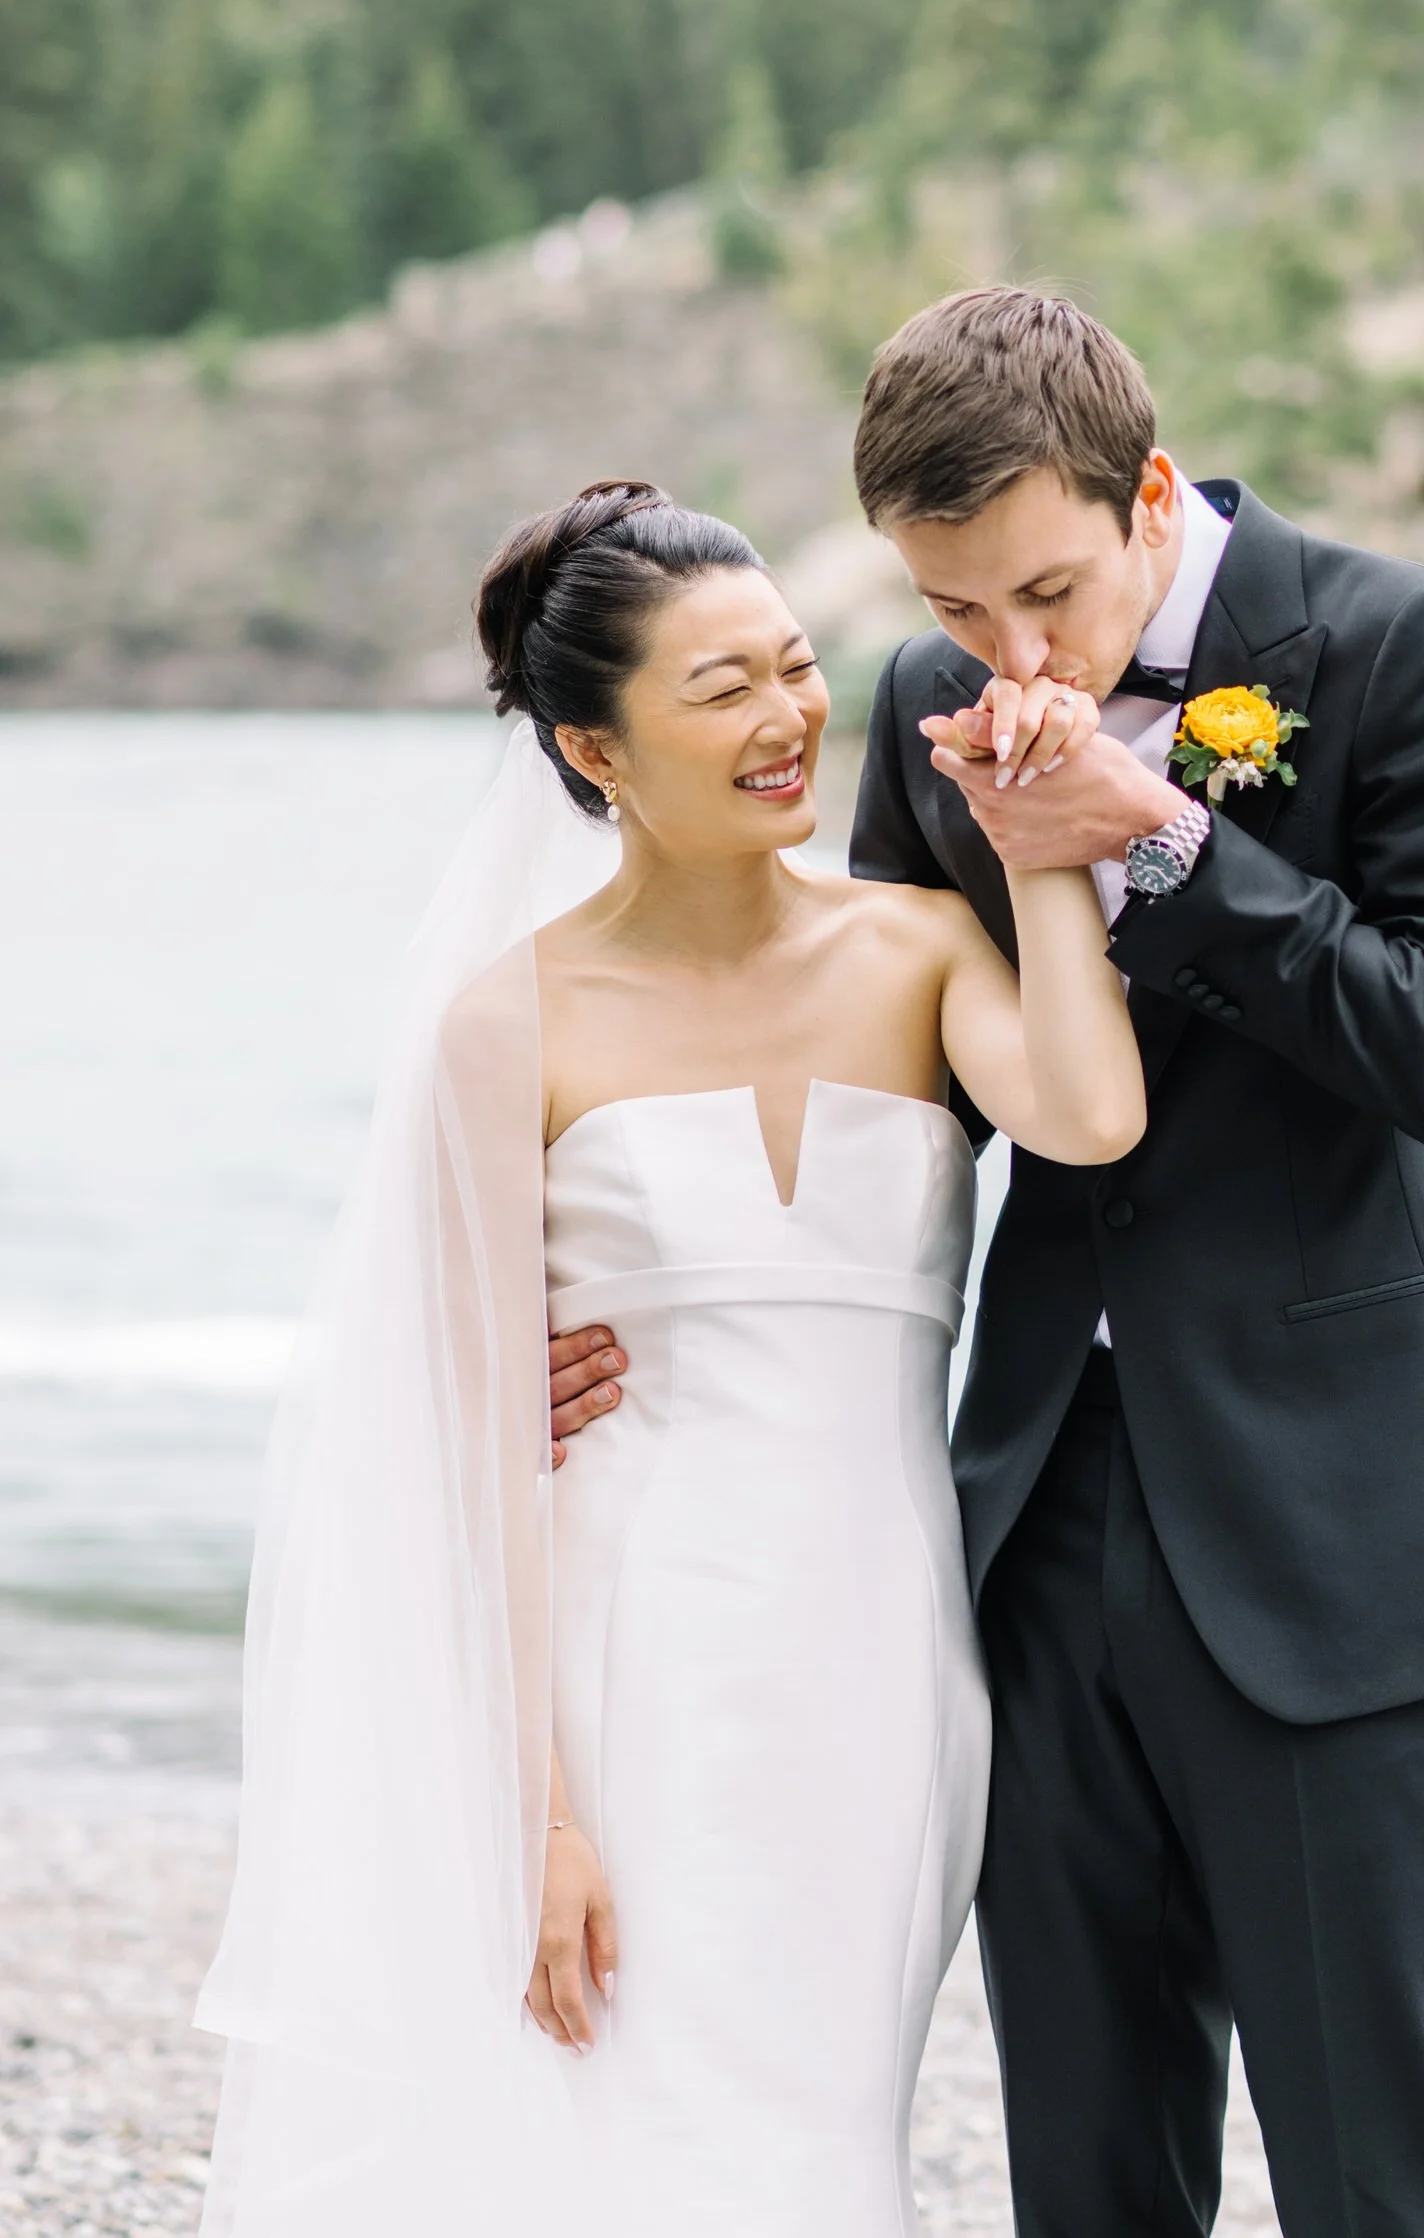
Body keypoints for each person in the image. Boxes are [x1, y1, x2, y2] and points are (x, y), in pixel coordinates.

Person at [552, 293, 1424, 2237]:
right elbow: (882, 1087)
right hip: (1026, 1518)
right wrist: (580, 1303)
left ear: (1152, 490)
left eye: (1049, 597)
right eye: (955, 607)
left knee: (1379, 2169)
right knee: (1089, 2166)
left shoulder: (1396, 646)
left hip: (1336, 1519)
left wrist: (1170, 844)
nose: (1014, 656)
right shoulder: (937, 723)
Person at [194, 480, 1146, 2237]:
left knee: (825, 2124)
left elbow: (1089, 1115)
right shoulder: (510, 1021)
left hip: (881, 1654)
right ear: (594, 748)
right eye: (721, 690)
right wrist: (533, 1813)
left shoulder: (920, 942)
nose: (788, 718)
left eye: (794, 667)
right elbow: (474, 1439)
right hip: (634, 1672)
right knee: (635, 2130)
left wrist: (1044, 855)